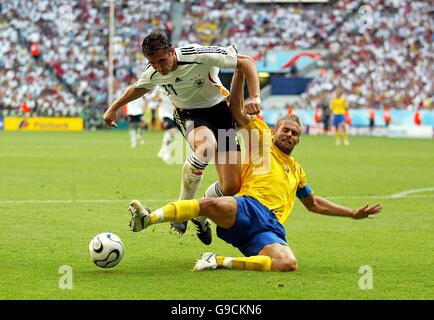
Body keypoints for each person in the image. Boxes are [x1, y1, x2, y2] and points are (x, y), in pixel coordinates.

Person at [126, 68, 382, 272]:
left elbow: (313, 203)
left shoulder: (297, 170)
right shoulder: (260, 138)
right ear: (274, 131)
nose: (289, 135)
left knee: (287, 264)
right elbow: (235, 110)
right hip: (249, 207)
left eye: (294, 133)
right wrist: (239, 75)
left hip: (270, 228)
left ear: (298, 140)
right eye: (285, 130)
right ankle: (148, 219)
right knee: (210, 204)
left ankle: (217, 261)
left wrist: (352, 214)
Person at [103, 31, 261, 244]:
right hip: (190, 114)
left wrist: (254, 96)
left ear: (171, 52)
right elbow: (139, 88)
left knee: (232, 186)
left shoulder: (197, 54)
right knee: (206, 146)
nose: (158, 67)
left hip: (221, 113)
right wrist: (114, 108)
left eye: (161, 60)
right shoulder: (153, 72)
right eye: (152, 62)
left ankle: (201, 215)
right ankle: (183, 208)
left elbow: (247, 61)